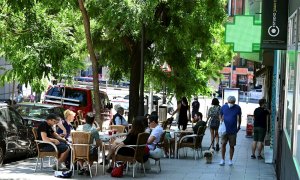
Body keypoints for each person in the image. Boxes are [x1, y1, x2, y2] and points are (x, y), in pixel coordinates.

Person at [219, 96, 241, 166]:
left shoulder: (237, 108)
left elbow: (239, 117)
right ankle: (222, 159)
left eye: (232, 102)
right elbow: (220, 114)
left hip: (233, 130)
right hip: (224, 130)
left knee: (232, 145)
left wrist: (239, 126)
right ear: (227, 101)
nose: (230, 103)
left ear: (234, 102)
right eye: (229, 102)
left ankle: (230, 160)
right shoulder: (224, 107)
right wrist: (221, 120)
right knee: (223, 144)